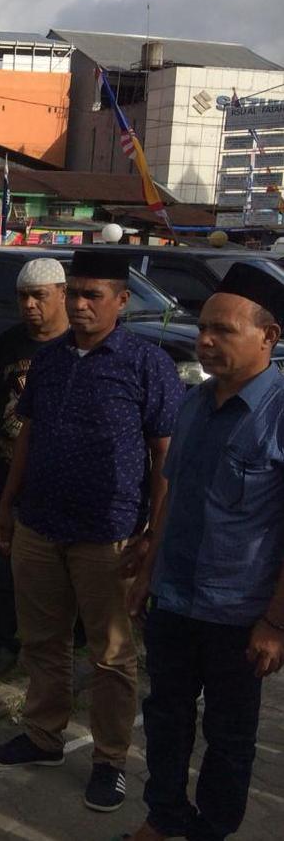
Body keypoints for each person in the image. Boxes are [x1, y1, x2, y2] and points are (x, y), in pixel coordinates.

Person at [0, 250, 184, 813]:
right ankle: (44, 735)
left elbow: (164, 456)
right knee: (41, 641)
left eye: (93, 294)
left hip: (110, 535)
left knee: (111, 656)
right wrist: (8, 507)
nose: (80, 303)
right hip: (40, 526)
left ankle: (110, 760)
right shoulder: (49, 361)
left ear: (122, 300)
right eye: (74, 292)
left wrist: (151, 539)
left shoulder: (148, 363)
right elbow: (28, 435)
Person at [122, 263, 284, 841]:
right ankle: (163, 819)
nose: (206, 340)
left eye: (224, 330)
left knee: (230, 735)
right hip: (174, 597)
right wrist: (148, 566)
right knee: (165, 718)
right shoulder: (194, 401)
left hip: (239, 613)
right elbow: (176, 494)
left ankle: (210, 831)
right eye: (203, 328)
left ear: (269, 336)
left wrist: (273, 621)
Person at [0, 257, 70, 678]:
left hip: (57, 479)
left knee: (60, 571)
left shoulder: (77, 346)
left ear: (62, 294)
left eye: (39, 296)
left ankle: (61, 644)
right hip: (5, 472)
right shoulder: (7, 343)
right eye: (23, 297)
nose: (30, 304)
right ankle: (2, 643)